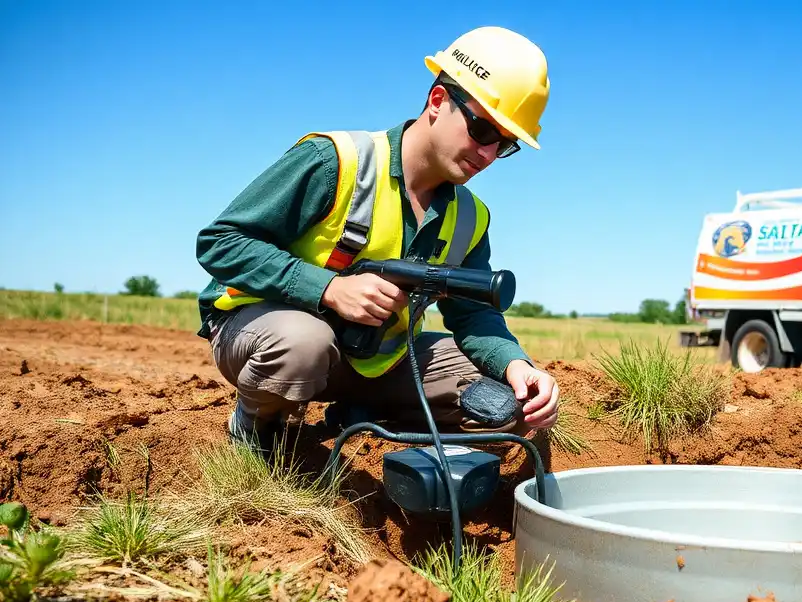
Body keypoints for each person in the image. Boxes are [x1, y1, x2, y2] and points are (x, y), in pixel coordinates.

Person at [192, 26, 559, 455]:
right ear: (438, 101)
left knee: (505, 402)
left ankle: (364, 419)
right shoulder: (336, 161)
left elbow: (474, 318)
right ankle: (257, 430)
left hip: (379, 361)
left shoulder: (470, 218)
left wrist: (516, 365)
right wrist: (328, 289)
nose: (488, 155)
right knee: (301, 343)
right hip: (271, 339)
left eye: (506, 145)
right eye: (482, 131)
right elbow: (220, 241)